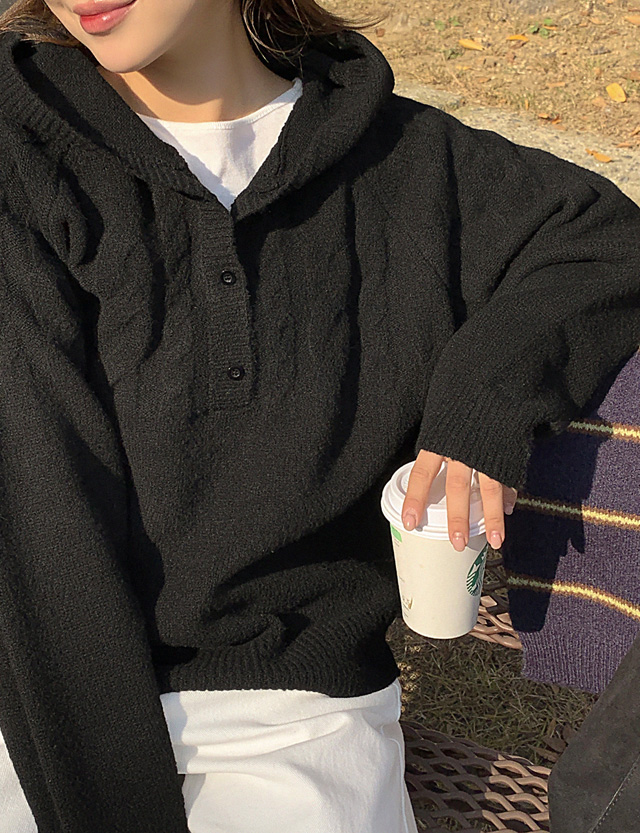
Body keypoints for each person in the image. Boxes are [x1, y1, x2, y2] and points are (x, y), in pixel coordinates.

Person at [0, 1, 638, 831]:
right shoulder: (21, 158)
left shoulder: (404, 160)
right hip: (39, 707)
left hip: (301, 714)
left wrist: (487, 395)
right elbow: (36, 535)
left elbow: (604, 238)